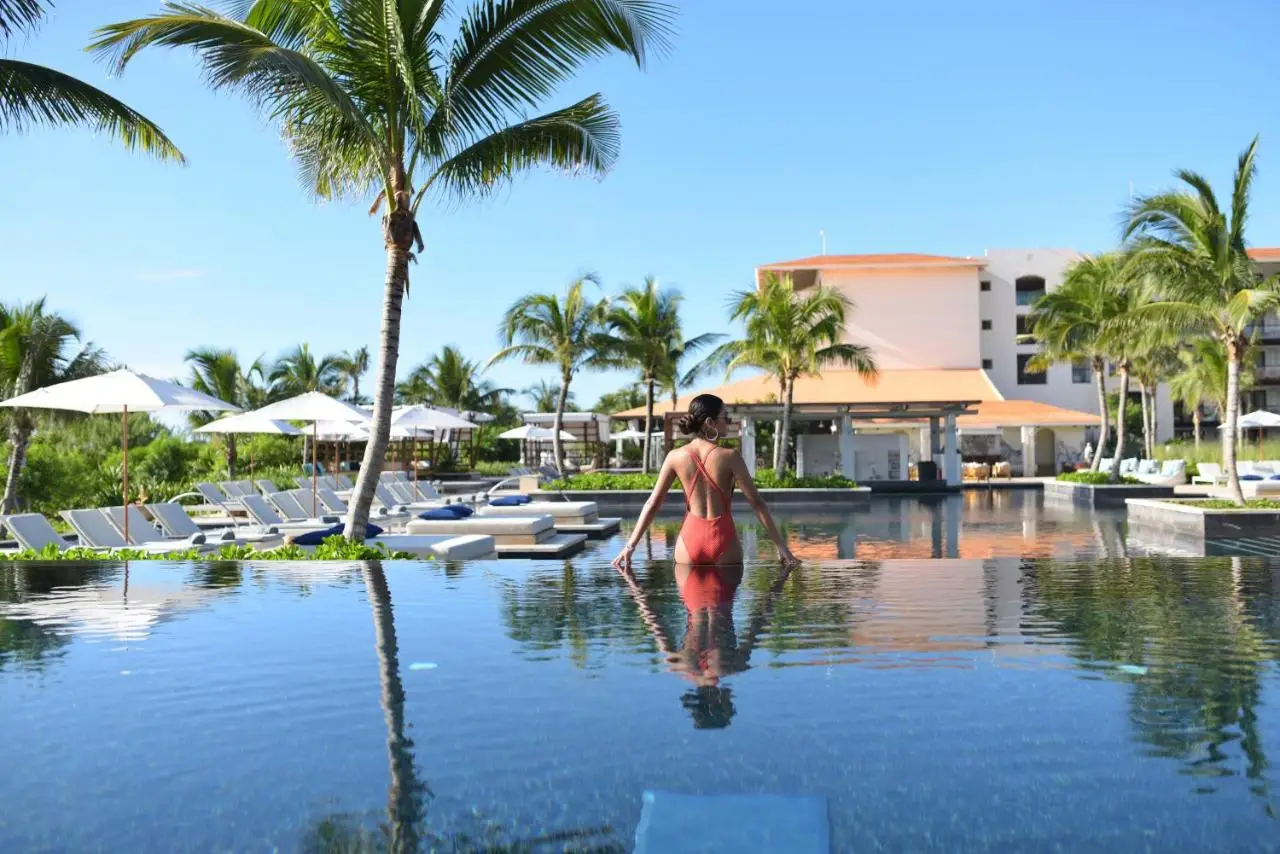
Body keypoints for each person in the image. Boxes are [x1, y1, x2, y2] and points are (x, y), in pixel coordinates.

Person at [612, 393, 799, 570]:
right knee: (724, 603)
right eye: (725, 417)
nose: (729, 422)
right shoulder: (730, 456)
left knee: (692, 603)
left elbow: (653, 503)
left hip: (689, 542)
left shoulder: (675, 456)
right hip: (724, 540)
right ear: (710, 423)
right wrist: (781, 547)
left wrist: (629, 547)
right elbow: (757, 503)